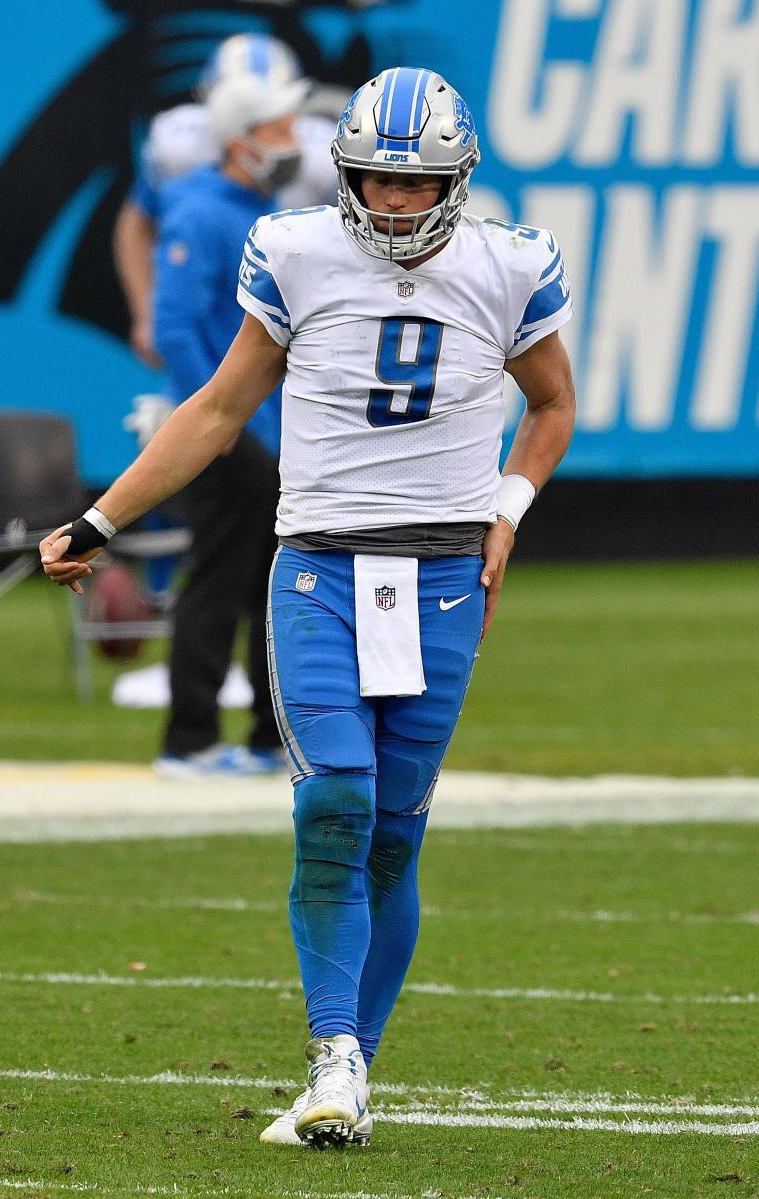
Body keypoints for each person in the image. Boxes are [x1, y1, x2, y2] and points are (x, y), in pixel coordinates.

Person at [41, 66, 575, 1147]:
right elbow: (220, 406)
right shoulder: (295, 251)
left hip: (443, 576)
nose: (390, 201)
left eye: (413, 184)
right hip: (323, 567)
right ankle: (333, 1058)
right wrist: (98, 519)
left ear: (456, 182)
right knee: (333, 806)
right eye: (374, 178)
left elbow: (554, 402)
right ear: (346, 173)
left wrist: (509, 506)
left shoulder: (510, 265)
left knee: (392, 834)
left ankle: (354, 1067)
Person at [147, 71, 307, 777]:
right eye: (278, 129)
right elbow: (175, 329)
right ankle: (190, 739)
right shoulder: (201, 213)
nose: (293, 142)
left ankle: (270, 737)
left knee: (272, 587)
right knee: (217, 582)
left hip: (271, 432)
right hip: (232, 435)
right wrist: (216, 430)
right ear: (240, 140)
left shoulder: (252, 208)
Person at [113, 32, 338, 370]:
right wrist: (145, 311)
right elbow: (136, 223)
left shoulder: (322, 155)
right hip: (212, 316)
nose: (288, 140)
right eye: (269, 126)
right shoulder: (182, 157)